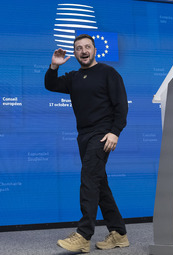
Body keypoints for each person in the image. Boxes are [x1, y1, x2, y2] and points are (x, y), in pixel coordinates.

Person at [45, 34, 129, 253]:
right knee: (99, 184)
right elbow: (51, 85)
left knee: (90, 179)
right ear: (74, 53)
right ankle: (119, 233)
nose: (83, 51)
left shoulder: (108, 73)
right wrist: (54, 66)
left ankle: (83, 235)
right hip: (83, 136)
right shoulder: (73, 77)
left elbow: (121, 105)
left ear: (94, 50)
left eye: (87, 47)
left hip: (102, 135)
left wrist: (114, 132)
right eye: (79, 48)